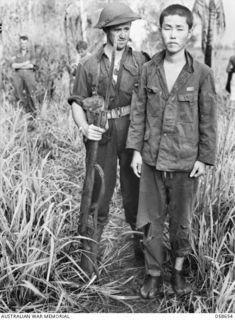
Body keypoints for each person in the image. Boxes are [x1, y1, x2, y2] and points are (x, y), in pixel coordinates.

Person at [126, 4, 217, 298]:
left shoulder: (202, 74)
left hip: (185, 163)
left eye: (179, 28)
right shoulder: (148, 69)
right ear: (160, 30)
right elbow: (138, 113)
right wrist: (136, 151)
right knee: (151, 220)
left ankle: (176, 271)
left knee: (181, 223)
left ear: (189, 33)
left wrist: (205, 158)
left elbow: (208, 119)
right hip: (152, 160)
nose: (173, 35)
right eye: (168, 28)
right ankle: (153, 273)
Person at [68, 2, 150, 272]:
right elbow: (77, 102)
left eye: (127, 28)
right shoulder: (89, 65)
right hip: (101, 132)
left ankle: (144, 256)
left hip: (132, 131)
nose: (124, 34)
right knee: (97, 194)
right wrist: (84, 127)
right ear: (107, 31)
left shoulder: (141, 61)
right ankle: (88, 261)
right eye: (118, 29)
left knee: (137, 192)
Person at [11, 35, 37, 115]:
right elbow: (13, 65)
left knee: (31, 94)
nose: (23, 45)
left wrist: (19, 65)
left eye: (25, 43)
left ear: (27, 43)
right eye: (22, 43)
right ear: (20, 43)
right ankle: (22, 114)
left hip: (29, 76)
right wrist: (25, 63)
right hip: (18, 76)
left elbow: (32, 65)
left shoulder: (32, 53)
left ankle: (33, 114)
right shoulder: (15, 52)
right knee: (19, 94)